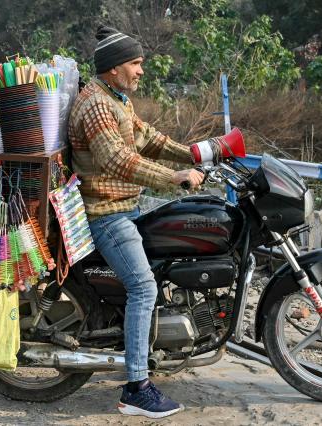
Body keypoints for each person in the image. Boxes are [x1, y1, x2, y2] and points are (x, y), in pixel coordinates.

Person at [68, 24, 204, 419]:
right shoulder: (95, 104)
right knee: (143, 288)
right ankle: (136, 388)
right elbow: (117, 160)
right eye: (136, 63)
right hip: (106, 213)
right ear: (114, 68)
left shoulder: (117, 98)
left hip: (125, 205)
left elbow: (147, 139)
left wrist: (197, 155)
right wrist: (172, 177)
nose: (141, 70)